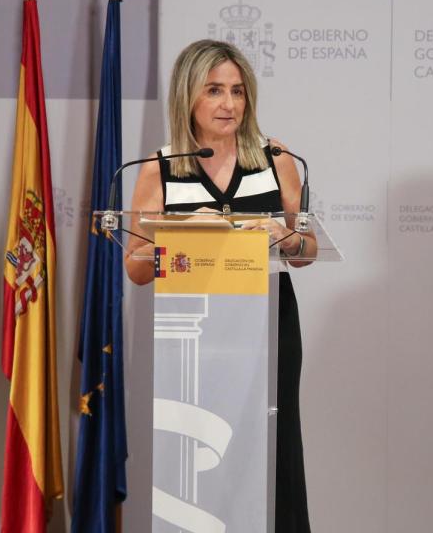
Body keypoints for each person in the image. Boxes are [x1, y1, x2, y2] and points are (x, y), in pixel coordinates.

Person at [126, 39, 316, 533]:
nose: (229, 104)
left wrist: (284, 235)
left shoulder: (277, 160)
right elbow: (138, 266)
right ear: (188, 96)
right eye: (214, 90)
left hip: (268, 327)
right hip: (193, 335)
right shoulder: (160, 168)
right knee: (198, 451)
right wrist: (186, 234)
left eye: (237, 91)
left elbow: (308, 250)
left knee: (272, 444)